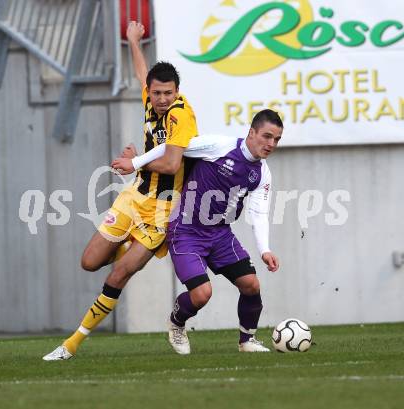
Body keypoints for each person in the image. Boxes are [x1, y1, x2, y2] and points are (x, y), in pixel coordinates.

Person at [43, 21, 198, 361]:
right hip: (134, 197)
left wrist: (135, 162)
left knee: (120, 273)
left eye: (167, 93)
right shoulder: (150, 98)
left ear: (177, 92)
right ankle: (127, 241)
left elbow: (172, 165)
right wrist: (132, 41)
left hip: (163, 210)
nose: (160, 99)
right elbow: (144, 73)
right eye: (156, 93)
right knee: (89, 262)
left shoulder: (181, 117)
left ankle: (71, 344)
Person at [113, 109, 282, 353]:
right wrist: (135, 162)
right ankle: (176, 323)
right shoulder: (219, 145)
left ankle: (247, 341)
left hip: (221, 234)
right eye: (267, 136)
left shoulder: (262, 173)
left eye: (276, 139)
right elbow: (173, 147)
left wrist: (265, 250)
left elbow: (259, 213)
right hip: (186, 231)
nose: (271, 144)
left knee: (251, 285)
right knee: (202, 294)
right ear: (252, 132)